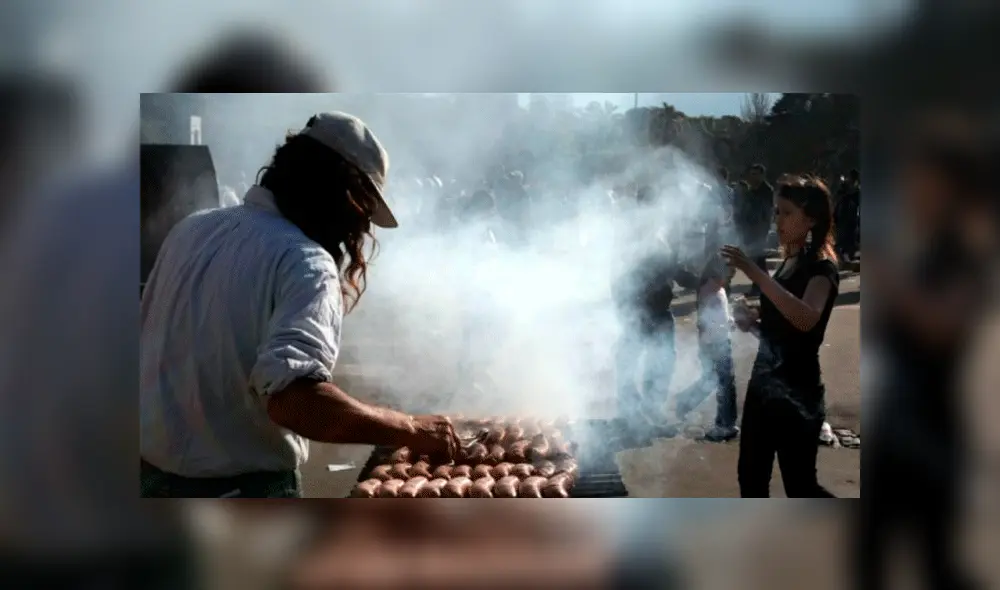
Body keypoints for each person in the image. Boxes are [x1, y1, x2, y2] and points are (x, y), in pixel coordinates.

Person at [140, 112, 461, 498]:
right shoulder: (305, 260)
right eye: (363, 209)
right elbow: (295, 402)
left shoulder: (191, 229)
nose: (361, 229)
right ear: (345, 194)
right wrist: (408, 427)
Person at [722, 175, 839, 497]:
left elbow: (805, 319)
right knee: (751, 478)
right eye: (776, 212)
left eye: (787, 212)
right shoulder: (789, 262)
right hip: (764, 387)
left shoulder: (821, 269)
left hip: (797, 393)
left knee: (800, 486)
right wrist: (753, 324)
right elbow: (782, 332)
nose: (778, 220)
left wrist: (755, 273)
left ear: (811, 218)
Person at [673, 180, 740, 442]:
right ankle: (725, 423)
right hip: (712, 310)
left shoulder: (715, 233)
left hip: (714, 307)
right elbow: (710, 276)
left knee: (716, 374)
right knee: (723, 377)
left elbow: (718, 274)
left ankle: (686, 403)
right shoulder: (709, 237)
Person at [612, 185, 678, 445]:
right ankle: (635, 414)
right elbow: (619, 273)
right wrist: (624, 305)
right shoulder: (634, 234)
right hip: (643, 309)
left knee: (658, 362)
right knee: (640, 361)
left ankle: (647, 412)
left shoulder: (658, 233)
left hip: (655, 308)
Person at [734, 163, 774, 297]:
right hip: (751, 230)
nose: (752, 177)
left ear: (762, 175)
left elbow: (764, 212)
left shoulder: (766, 191)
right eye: (751, 174)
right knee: (757, 260)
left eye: (756, 174)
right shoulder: (752, 191)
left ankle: (761, 286)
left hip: (760, 230)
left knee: (757, 260)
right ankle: (763, 285)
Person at [834, 168, 860, 263]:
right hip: (846, 215)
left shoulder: (853, 188)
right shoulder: (849, 187)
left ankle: (846, 254)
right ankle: (844, 254)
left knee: (848, 237)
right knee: (846, 237)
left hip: (848, 215)